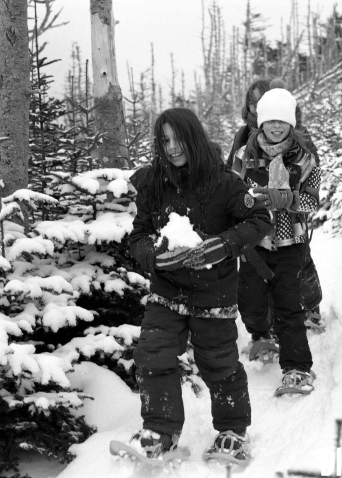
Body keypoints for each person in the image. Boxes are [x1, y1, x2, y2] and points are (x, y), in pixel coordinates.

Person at [128, 108, 272, 463]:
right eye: (164, 140)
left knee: (218, 362)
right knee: (152, 355)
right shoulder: (152, 183)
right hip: (167, 290)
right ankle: (160, 433)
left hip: (214, 291)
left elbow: (259, 220)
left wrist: (222, 245)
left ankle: (233, 431)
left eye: (178, 139)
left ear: (193, 137)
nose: (172, 147)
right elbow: (139, 236)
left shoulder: (224, 182)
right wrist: (154, 256)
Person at [232, 87, 321, 393]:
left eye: (282, 121)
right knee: (250, 300)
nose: (276, 126)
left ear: (291, 123)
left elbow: (312, 202)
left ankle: (297, 367)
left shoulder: (306, 159)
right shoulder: (244, 157)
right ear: (261, 122)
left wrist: (287, 199)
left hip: (289, 244)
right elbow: (230, 195)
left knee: (288, 305)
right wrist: (251, 202)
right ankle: (260, 336)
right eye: (270, 121)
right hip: (253, 243)